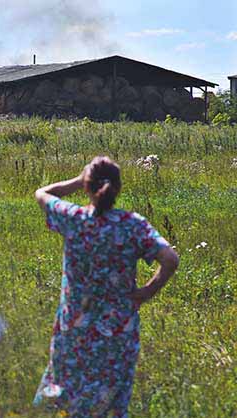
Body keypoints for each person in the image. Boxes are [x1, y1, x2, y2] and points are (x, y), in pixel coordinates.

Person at [32, 156, 179, 417]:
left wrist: (78, 181)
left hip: (74, 327)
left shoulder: (74, 218)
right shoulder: (133, 225)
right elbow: (170, 259)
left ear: (88, 187)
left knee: (65, 393)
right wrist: (145, 293)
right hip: (118, 330)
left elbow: (42, 193)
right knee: (110, 400)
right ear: (118, 189)